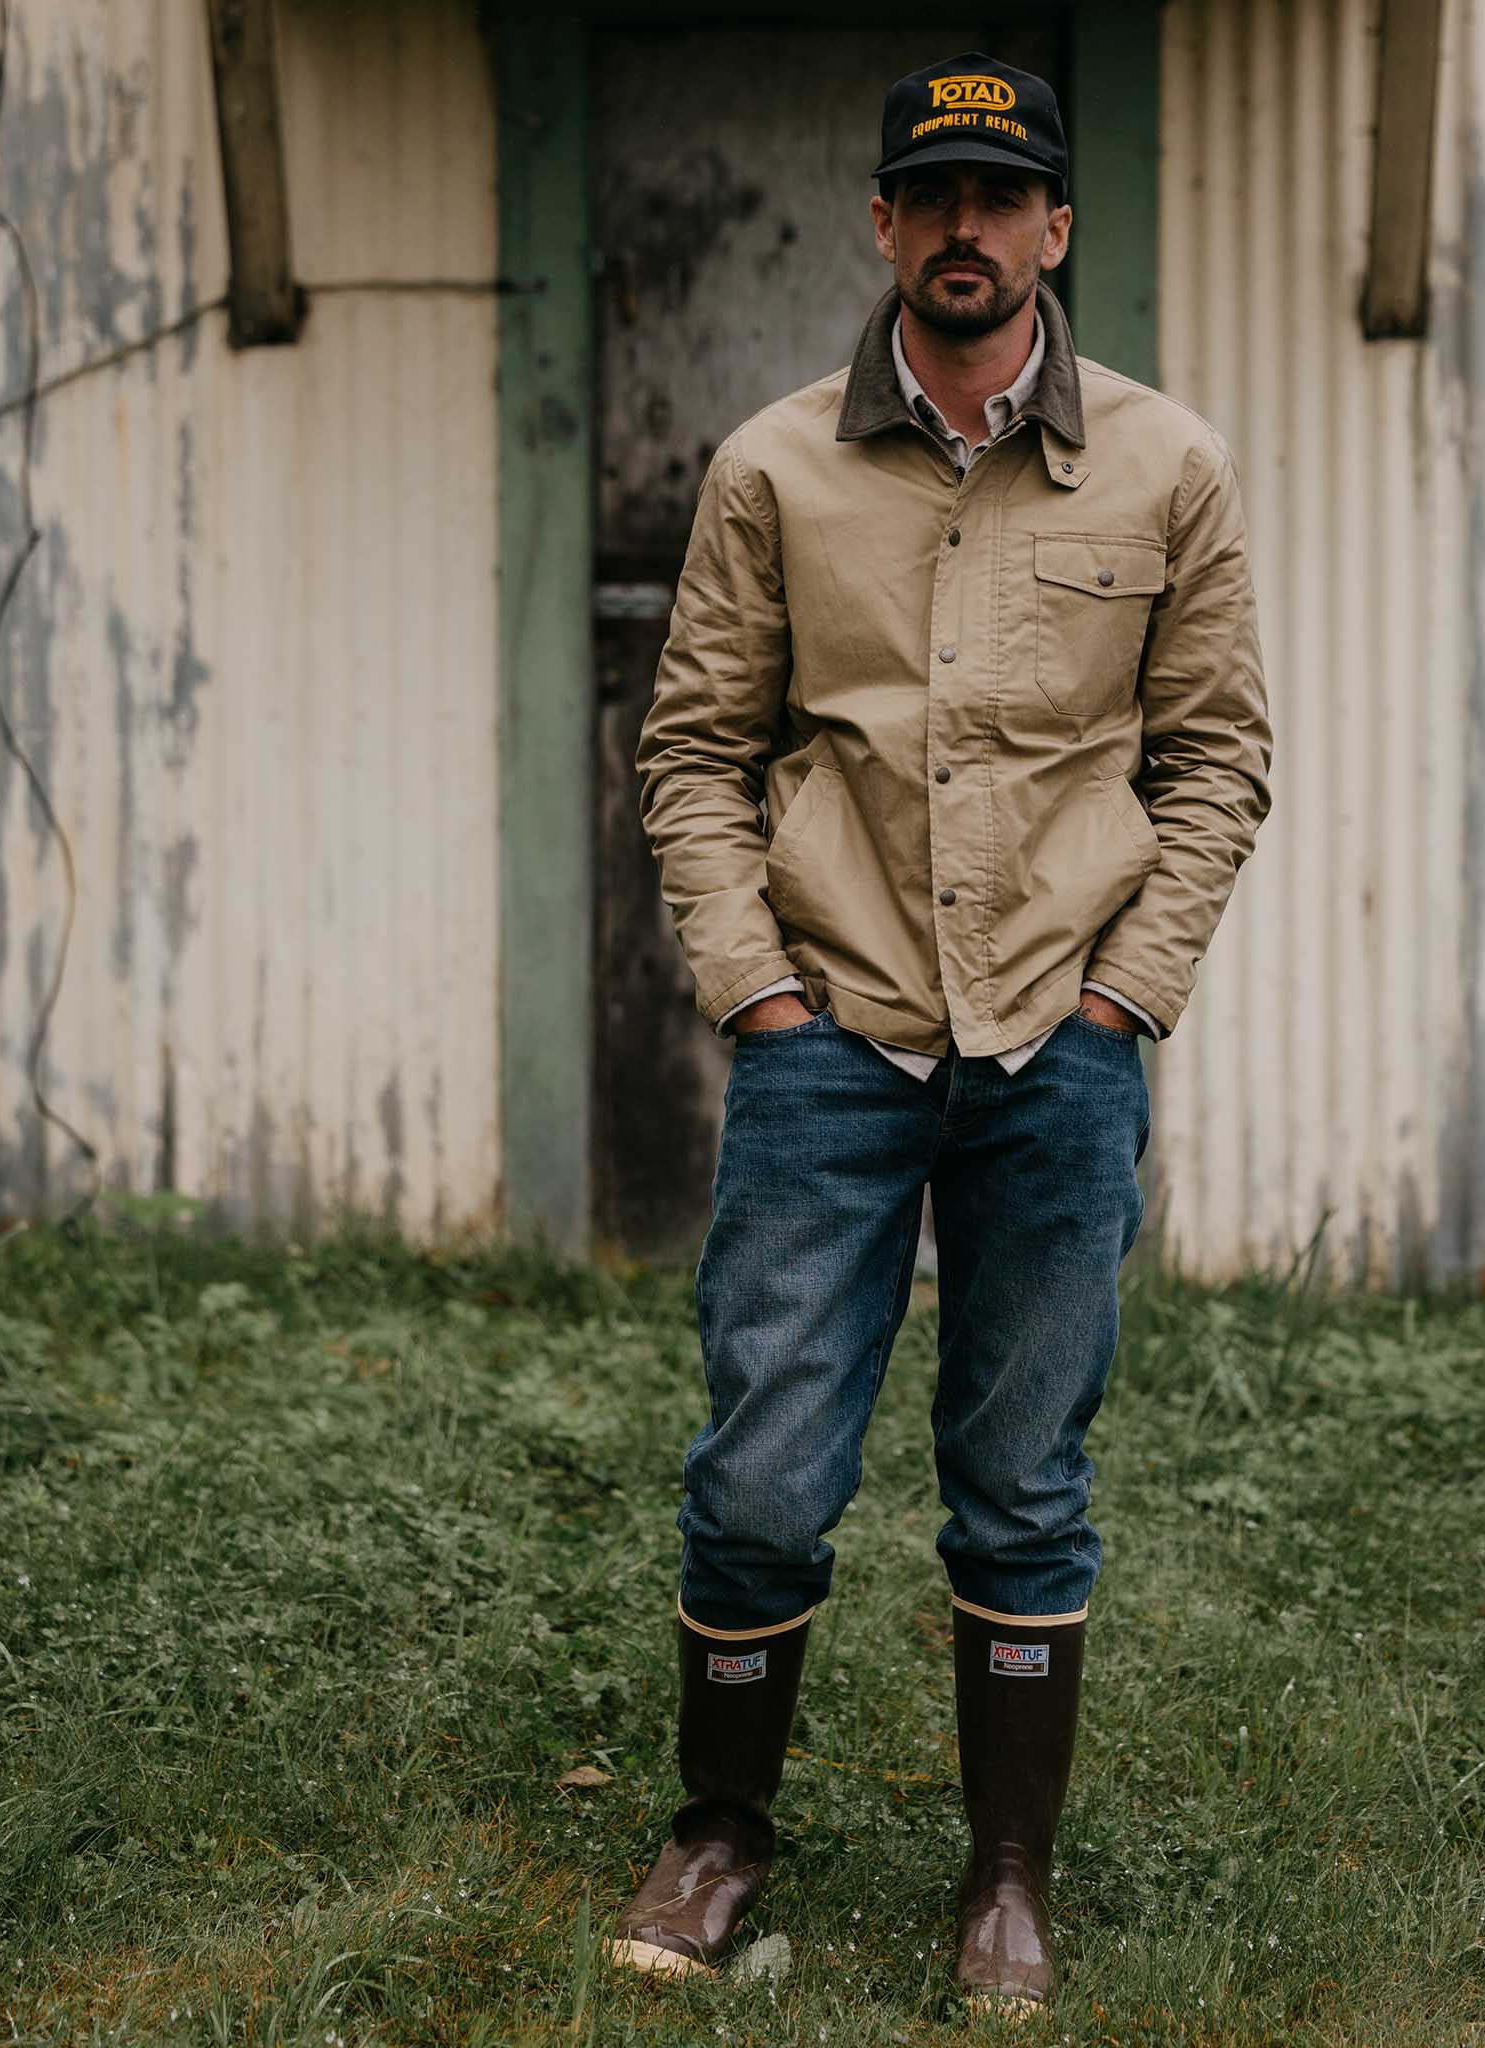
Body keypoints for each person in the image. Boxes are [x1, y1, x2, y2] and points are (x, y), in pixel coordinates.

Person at [612, 49, 1271, 2010]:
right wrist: (760, 985)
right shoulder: (771, 467)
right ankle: (722, 1825)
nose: (968, 228)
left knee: (1022, 1473)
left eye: (1006, 196)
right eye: (934, 193)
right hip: (834, 1039)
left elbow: (1218, 754)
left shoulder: (1167, 466)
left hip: (1055, 1055)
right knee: (757, 1471)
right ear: (883, 225)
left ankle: (1005, 1875)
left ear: (1055, 229)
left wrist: (1121, 998)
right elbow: (695, 753)